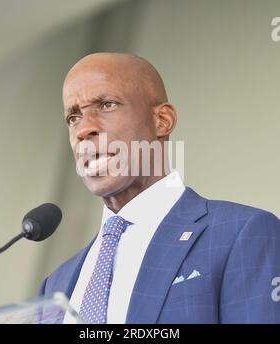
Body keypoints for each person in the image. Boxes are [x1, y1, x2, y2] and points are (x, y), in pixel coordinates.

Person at [39, 52, 280, 324]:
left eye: (106, 104)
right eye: (73, 117)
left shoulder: (240, 234)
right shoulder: (55, 285)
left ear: (162, 121)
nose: (84, 129)